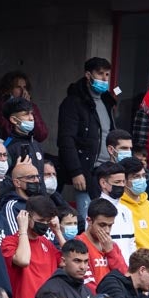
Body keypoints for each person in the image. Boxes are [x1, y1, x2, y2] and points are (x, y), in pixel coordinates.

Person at [57, 57, 117, 209]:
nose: (104, 79)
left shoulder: (107, 102)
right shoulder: (73, 102)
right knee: (89, 217)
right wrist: (76, 172)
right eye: (100, 74)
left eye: (107, 75)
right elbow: (66, 140)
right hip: (87, 171)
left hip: (107, 170)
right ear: (88, 75)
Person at [1, 198, 64, 298]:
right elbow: (23, 260)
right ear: (26, 217)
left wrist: (57, 232)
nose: (44, 225)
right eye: (40, 220)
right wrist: (23, 229)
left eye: (47, 221)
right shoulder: (10, 242)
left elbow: (70, 261)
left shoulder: (47, 243)